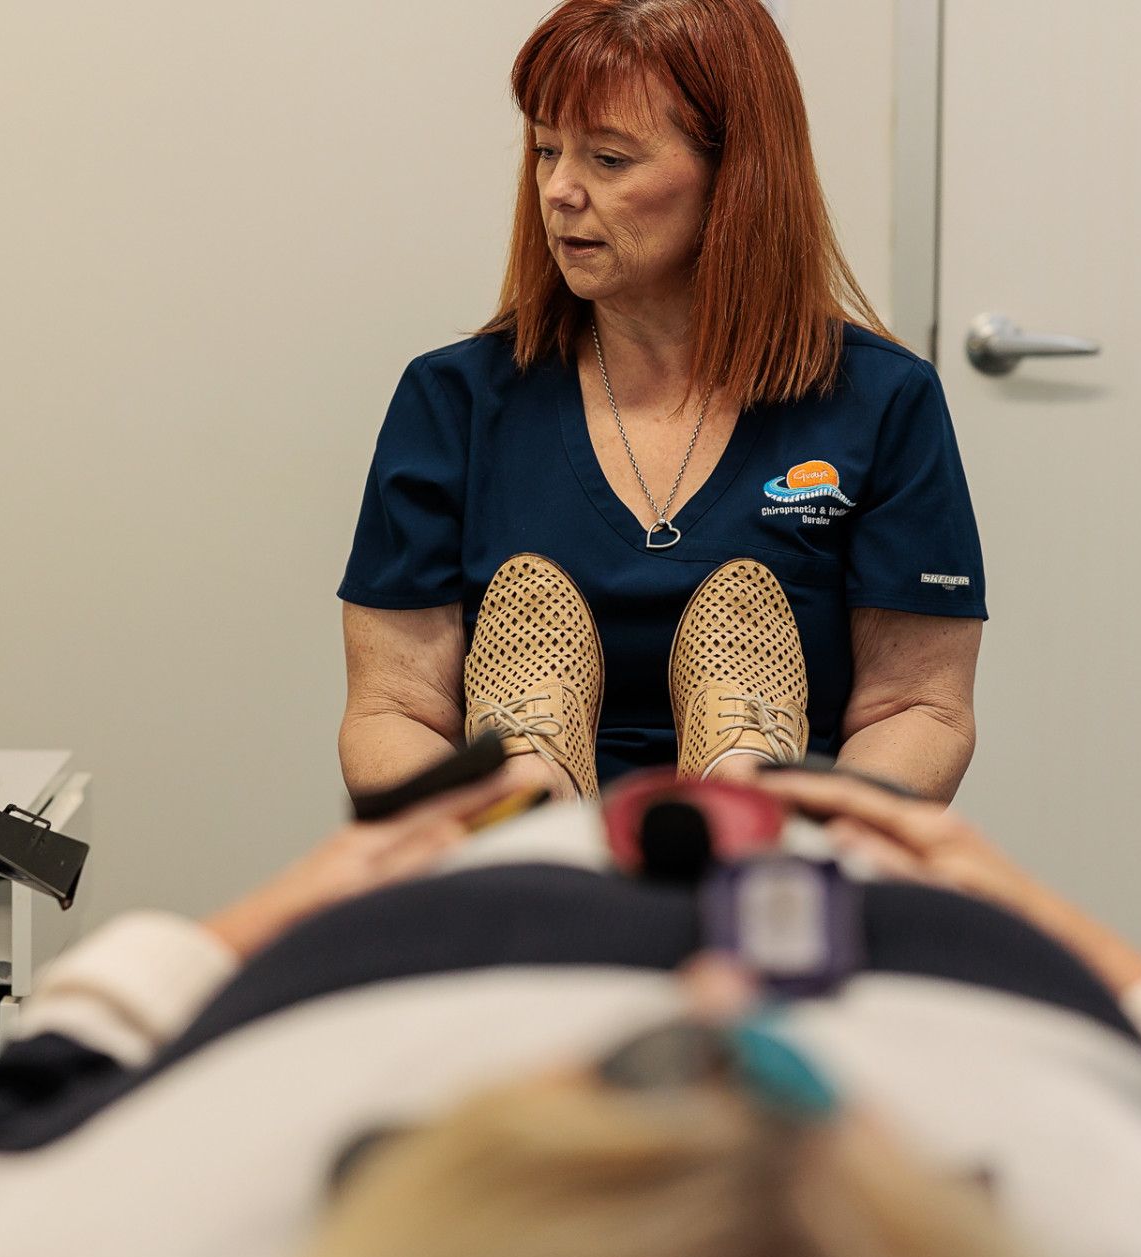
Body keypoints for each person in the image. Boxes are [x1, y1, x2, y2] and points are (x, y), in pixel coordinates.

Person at [0, 764, 1141, 1257]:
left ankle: (572, 763)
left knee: (531, 793)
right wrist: (1063, 934)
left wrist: (249, 926)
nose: (702, 1004)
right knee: (778, 791)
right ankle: (740, 763)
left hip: (427, 943)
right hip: (931, 956)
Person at [339, 0, 986, 804]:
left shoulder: (883, 402)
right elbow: (389, 711)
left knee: (751, 831)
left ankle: (743, 787)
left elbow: (920, 706)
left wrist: (813, 826)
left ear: (733, 176)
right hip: (524, 873)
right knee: (529, 831)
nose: (559, 190)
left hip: (777, 863)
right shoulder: (454, 401)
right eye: (546, 150)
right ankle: (535, 793)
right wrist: (486, 816)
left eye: (609, 159)